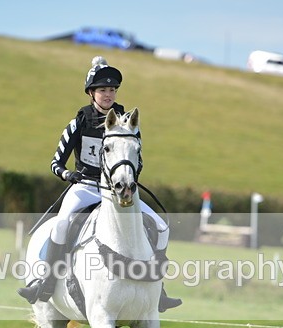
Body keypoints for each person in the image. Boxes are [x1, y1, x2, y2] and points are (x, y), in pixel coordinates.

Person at [17, 56, 182, 312]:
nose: (108, 94)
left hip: (118, 191)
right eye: (103, 90)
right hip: (84, 187)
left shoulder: (128, 124)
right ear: (91, 93)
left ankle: (158, 290)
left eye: (112, 90)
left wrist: (127, 179)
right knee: (61, 225)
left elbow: (137, 159)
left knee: (160, 227)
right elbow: (55, 163)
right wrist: (68, 175)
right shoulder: (78, 123)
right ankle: (45, 284)